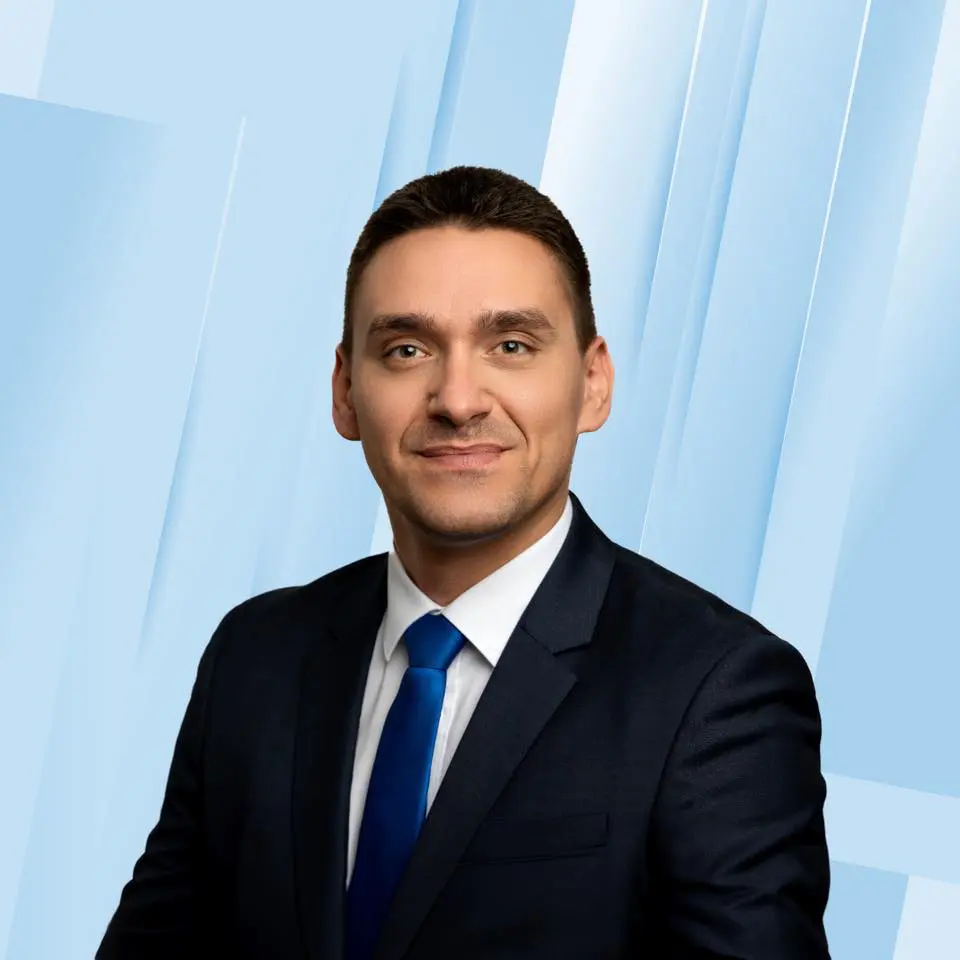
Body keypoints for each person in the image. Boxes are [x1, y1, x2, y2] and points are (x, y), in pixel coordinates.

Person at [97, 165, 831, 959]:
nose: (457, 400)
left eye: (510, 346)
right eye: (407, 349)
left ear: (592, 383)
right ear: (345, 391)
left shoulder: (717, 688)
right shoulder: (256, 656)